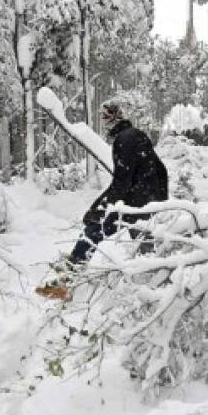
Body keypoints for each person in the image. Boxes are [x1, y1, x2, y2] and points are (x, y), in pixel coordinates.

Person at [37, 102, 168, 299]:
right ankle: (159, 285)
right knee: (144, 241)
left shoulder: (124, 140)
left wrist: (98, 208)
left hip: (135, 200)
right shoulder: (136, 134)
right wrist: (159, 199)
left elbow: (121, 182)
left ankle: (66, 281)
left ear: (116, 119)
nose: (104, 122)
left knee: (94, 229)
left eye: (106, 118)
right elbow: (160, 169)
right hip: (147, 199)